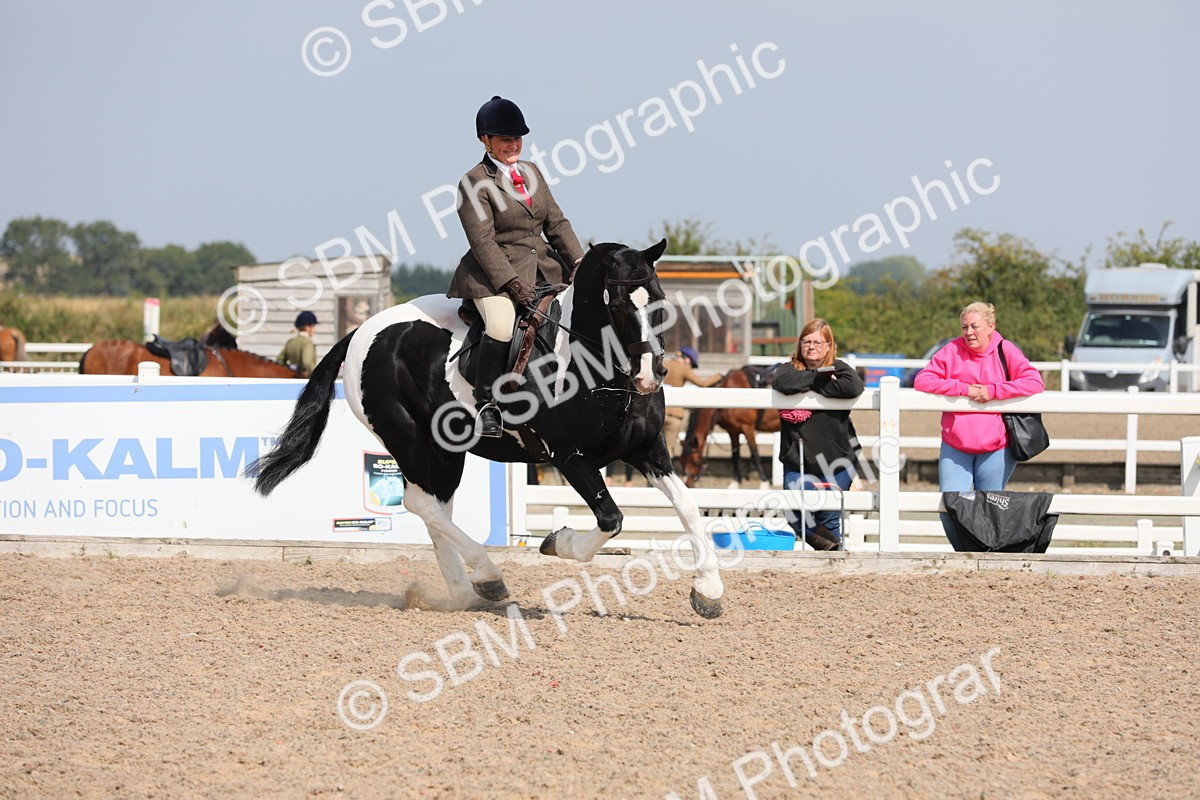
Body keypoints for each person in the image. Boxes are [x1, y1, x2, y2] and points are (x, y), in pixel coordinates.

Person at [447, 95, 585, 439]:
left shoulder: (532, 172)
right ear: (486, 141)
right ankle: (487, 404)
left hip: (543, 271)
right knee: (501, 325)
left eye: (517, 138)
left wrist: (579, 261)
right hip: (490, 277)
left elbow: (556, 222)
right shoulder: (473, 183)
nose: (513, 145)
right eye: (505, 139)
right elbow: (483, 241)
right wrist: (510, 283)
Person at [913, 302, 1045, 547]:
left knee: (991, 507)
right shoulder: (951, 350)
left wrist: (993, 391)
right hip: (956, 444)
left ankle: (985, 557)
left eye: (975, 326)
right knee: (950, 504)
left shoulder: (1006, 350)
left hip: (997, 445)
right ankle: (965, 554)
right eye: (964, 327)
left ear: (991, 327)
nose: (969, 332)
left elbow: (1034, 382)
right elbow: (923, 380)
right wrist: (965, 389)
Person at [772, 319, 865, 549]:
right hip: (798, 457)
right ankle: (834, 549)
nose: (811, 346)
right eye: (806, 341)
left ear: (827, 344)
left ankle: (831, 567)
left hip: (838, 456)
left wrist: (808, 385)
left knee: (829, 516)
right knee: (795, 513)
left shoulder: (840, 367)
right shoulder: (787, 369)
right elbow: (782, 382)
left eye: (816, 341)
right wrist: (818, 378)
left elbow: (852, 387)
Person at [662, 345, 722, 457]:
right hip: (674, 415)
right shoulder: (684, 369)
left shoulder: (662, 364)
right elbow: (702, 384)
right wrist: (718, 376)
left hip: (657, 412)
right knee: (668, 450)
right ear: (687, 359)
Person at [278, 310, 319, 377]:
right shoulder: (307, 342)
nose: (315, 329)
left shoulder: (291, 342)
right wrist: (317, 375)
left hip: (293, 378)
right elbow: (307, 363)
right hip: (305, 380)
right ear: (307, 327)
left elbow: (280, 360)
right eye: (313, 326)